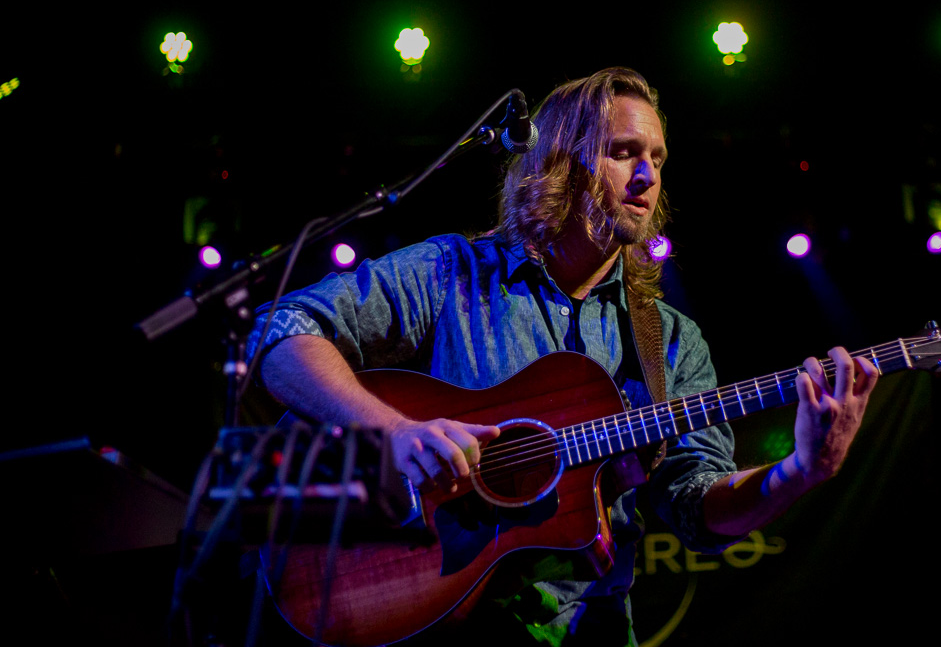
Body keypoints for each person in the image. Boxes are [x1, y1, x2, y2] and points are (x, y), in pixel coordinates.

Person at [247, 66, 879, 645]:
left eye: (658, 158)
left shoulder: (670, 340)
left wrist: (800, 472)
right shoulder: (451, 274)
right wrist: (396, 433)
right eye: (624, 152)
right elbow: (281, 329)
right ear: (559, 160)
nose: (648, 175)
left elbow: (696, 511)